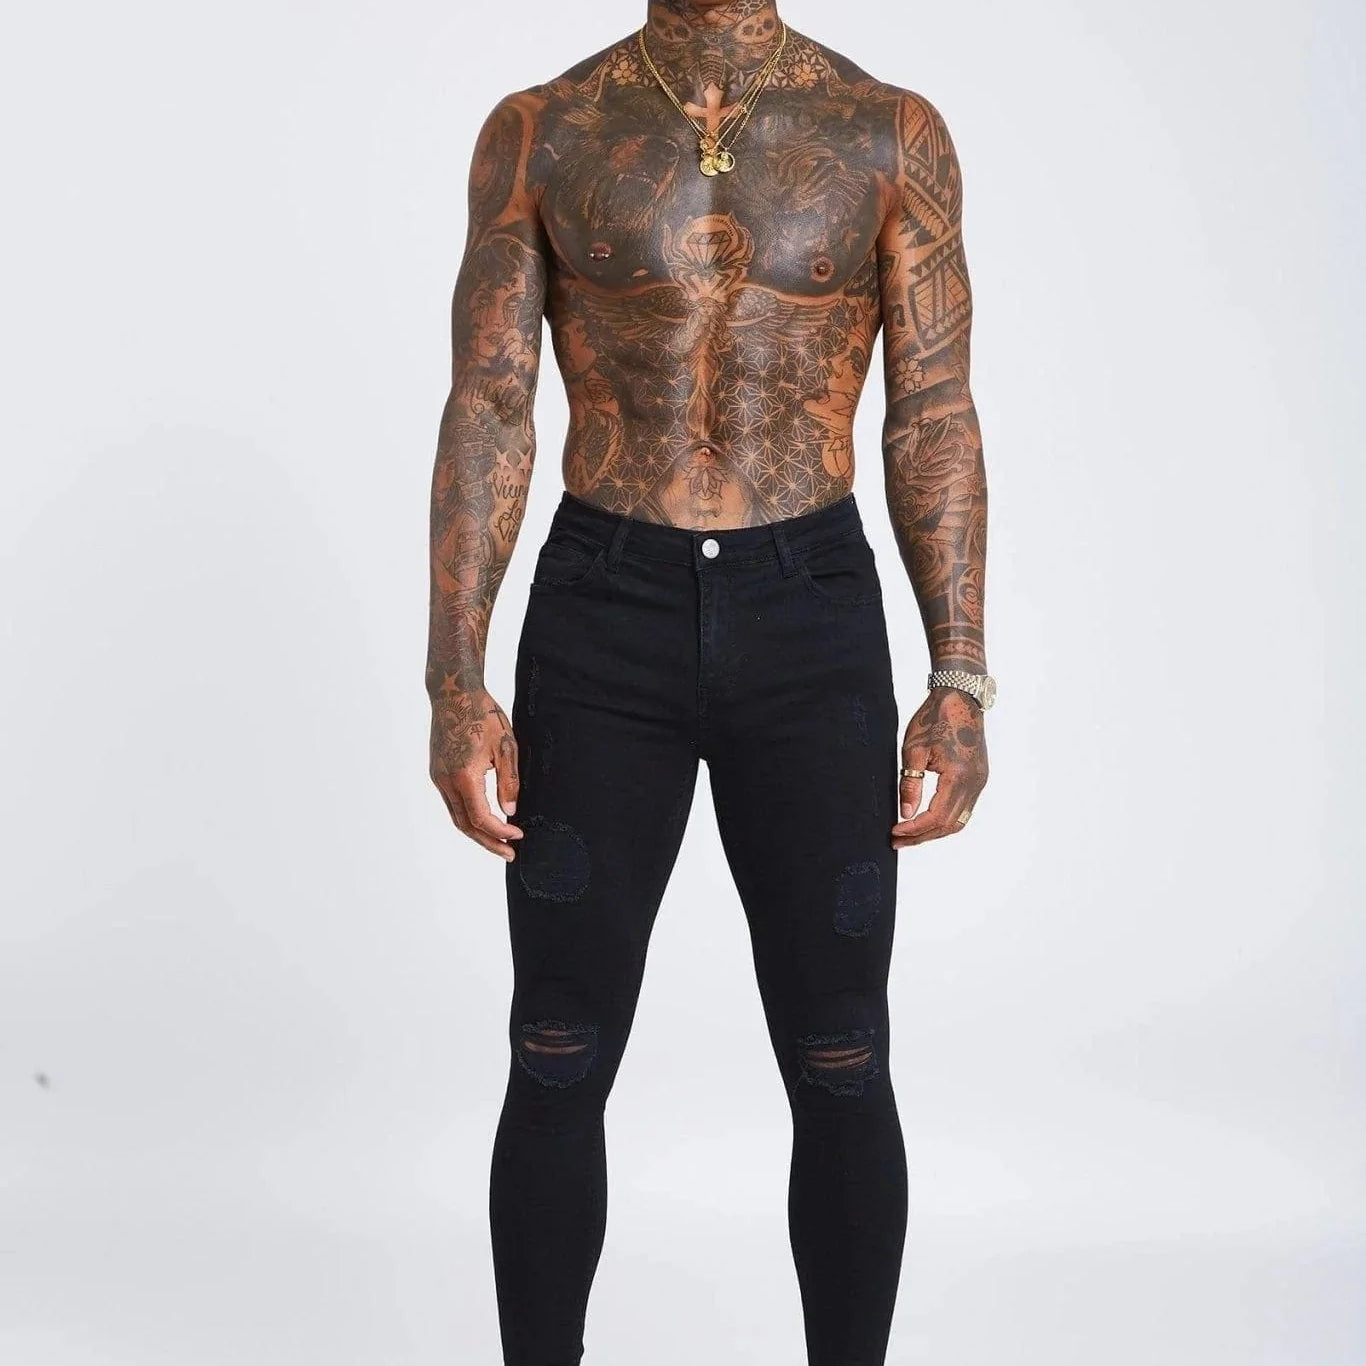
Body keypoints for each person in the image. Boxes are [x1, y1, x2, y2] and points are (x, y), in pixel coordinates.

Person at [424, 2, 994, 1361]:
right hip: (602, 608)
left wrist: (959, 672)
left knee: (841, 1051)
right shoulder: (542, 131)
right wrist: (455, 678)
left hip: (809, 615)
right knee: (556, 1046)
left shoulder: (887, 133)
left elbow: (932, 408)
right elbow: (490, 402)